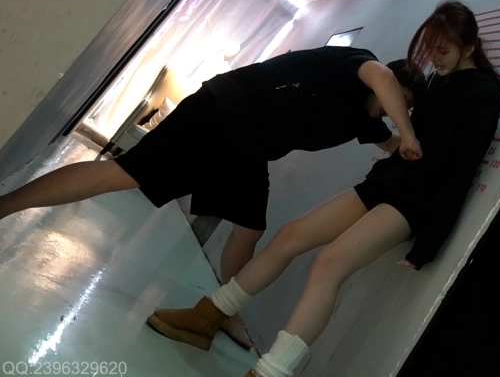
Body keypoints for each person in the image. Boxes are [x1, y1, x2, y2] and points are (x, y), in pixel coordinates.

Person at [145, 0, 500, 377]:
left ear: (469, 46)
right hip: (386, 182)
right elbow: (404, 124)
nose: (434, 58)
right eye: (430, 49)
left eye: (443, 50)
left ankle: (269, 372)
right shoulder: (438, 80)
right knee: (290, 236)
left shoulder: (484, 91)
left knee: (329, 263)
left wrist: (429, 243)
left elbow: (463, 168)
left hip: (415, 199)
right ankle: (207, 316)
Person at [0, 46, 426, 349]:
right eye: (403, 103)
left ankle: (221, 312)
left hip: (249, 149)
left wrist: (413, 146)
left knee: (250, 228)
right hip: (222, 113)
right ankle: (6, 205)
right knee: (124, 173)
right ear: (396, 84)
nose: (398, 113)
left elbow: (392, 145)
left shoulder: (365, 121)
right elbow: (382, 79)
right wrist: (407, 131)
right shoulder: (359, 64)